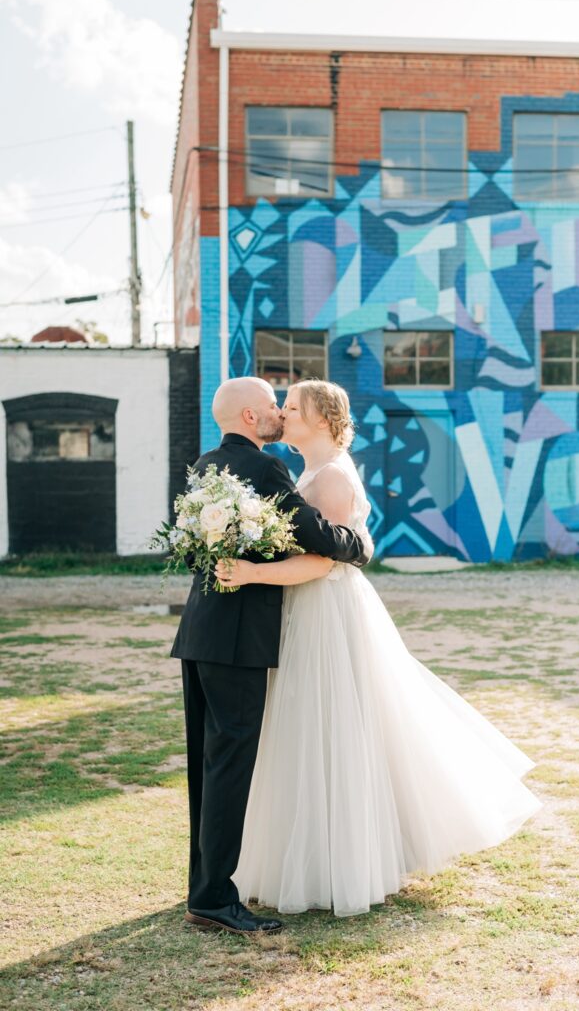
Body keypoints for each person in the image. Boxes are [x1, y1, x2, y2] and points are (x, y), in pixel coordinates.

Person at [216, 379, 543, 917]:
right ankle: (318, 856)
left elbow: (324, 562)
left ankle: (337, 864)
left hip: (326, 611)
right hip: (310, 608)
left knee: (332, 733)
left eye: (292, 407)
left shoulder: (331, 480)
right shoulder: (313, 471)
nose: (283, 412)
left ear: (321, 419)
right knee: (311, 733)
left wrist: (250, 571)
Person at [170, 376, 371, 935]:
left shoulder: (205, 468)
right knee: (231, 767)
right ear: (253, 419)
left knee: (207, 769)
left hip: (200, 631)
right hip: (237, 639)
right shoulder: (262, 469)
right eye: (273, 407)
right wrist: (360, 544)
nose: (281, 413)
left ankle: (202, 890)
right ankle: (213, 897)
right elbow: (317, 535)